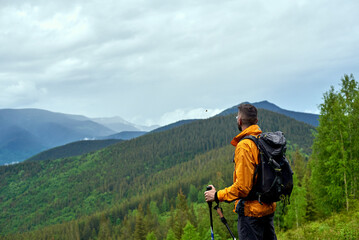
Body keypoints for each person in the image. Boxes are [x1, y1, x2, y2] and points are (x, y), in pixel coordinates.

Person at [204, 103, 277, 240]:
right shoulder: (262, 141)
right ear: (256, 121)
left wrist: (217, 195)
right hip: (267, 209)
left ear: (239, 120)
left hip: (251, 215)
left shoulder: (245, 146)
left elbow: (243, 187)